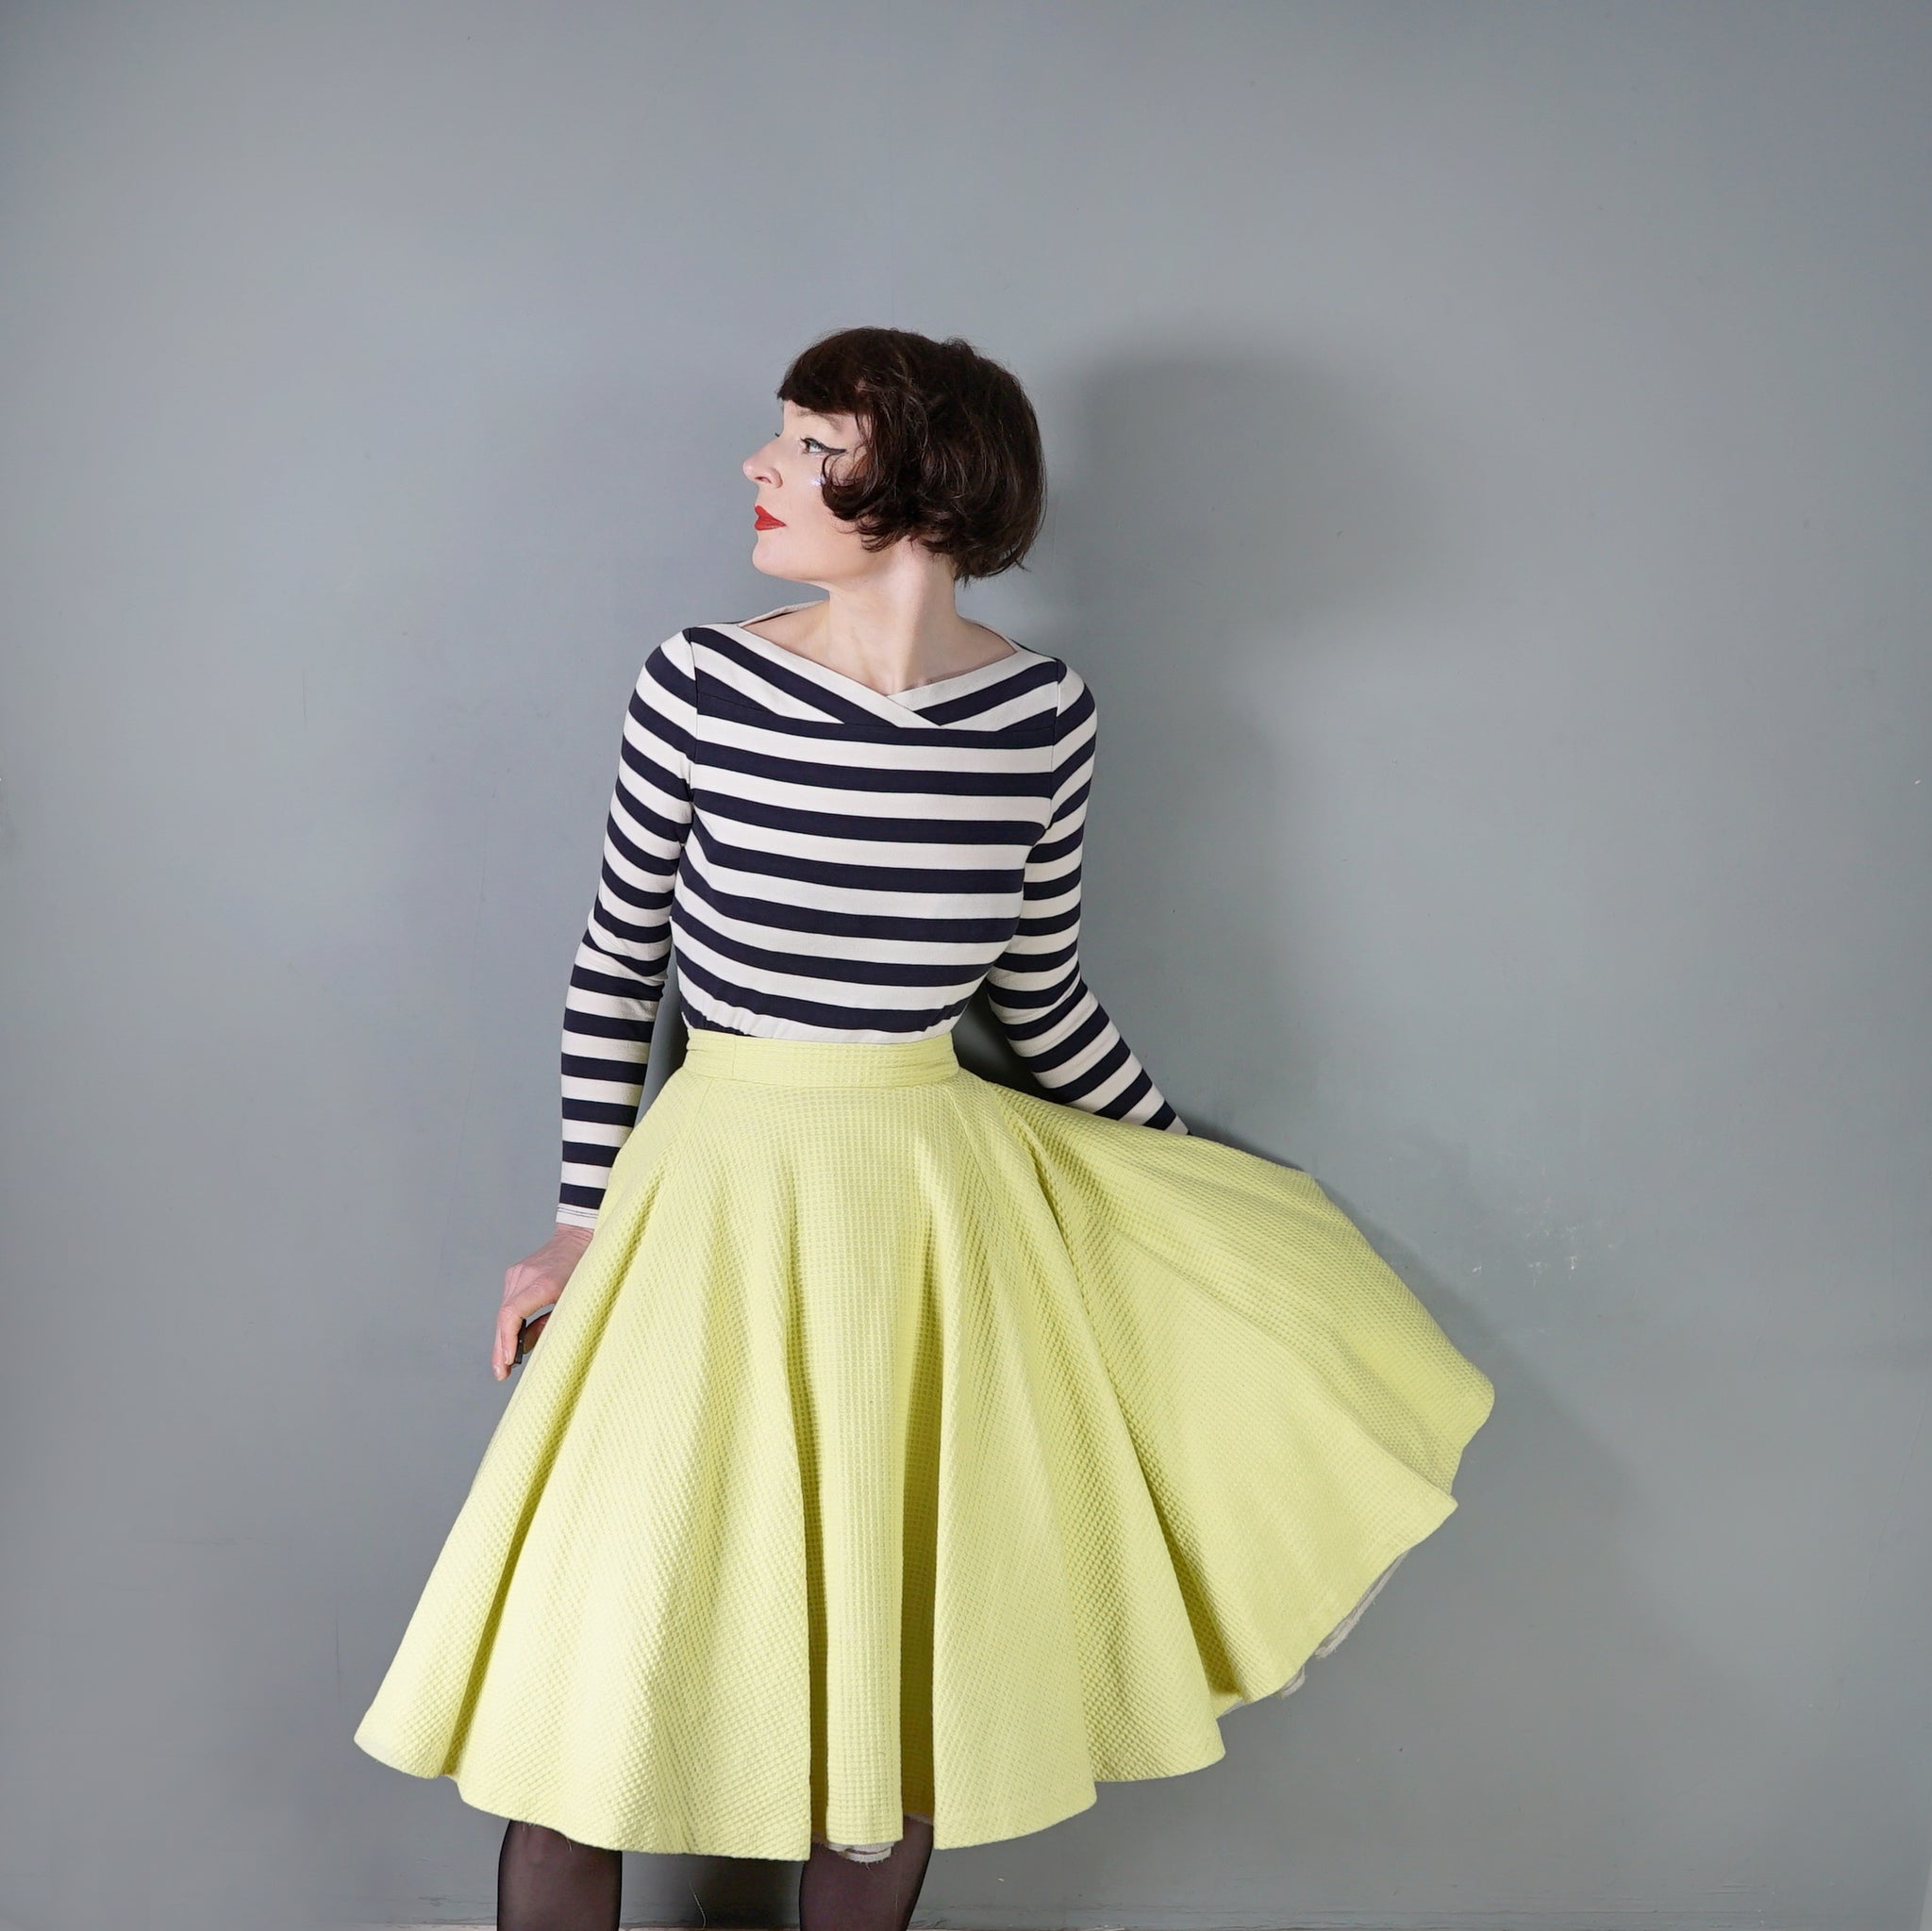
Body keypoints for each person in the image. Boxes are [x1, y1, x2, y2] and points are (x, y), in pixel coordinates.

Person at [353, 326, 1496, 1931]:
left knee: (890, 1722)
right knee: (587, 1710)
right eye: (782, 436)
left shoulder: (1043, 717)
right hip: (710, 1205)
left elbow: (1041, 998)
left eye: (810, 443)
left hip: (926, 1224)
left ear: (931, 479)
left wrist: (1205, 1196)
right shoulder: (702, 681)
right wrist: (579, 1221)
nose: (761, 467)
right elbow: (618, 967)